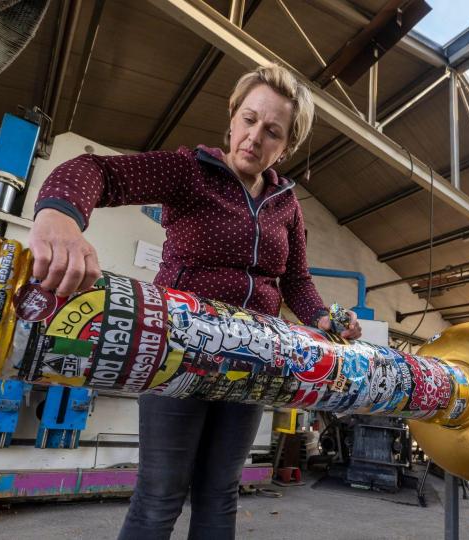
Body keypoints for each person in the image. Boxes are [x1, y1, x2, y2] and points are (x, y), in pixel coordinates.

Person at [28, 64, 362, 540]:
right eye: (248, 120)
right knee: (161, 494)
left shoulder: (287, 204)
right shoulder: (189, 171)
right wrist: (59, 217)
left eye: (272, 131)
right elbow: (94, 170)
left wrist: (325, 319)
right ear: (231, 117)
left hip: (255, 360)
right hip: (179, 353)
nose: (253, 137)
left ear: (285, 146)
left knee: (220, 492)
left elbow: (296, 280)